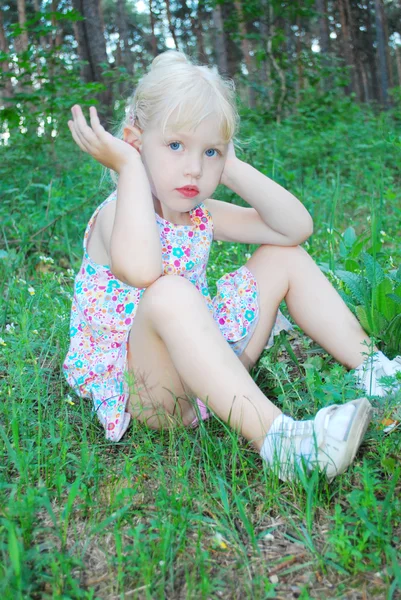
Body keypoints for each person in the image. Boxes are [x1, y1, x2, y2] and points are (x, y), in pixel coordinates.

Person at [63, 50, 400, 483]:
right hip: (151, 393)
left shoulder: (202, 213)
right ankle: (281, 443)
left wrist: (232, 167)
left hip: (213, 370)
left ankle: (379, 375)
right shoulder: (117, 214)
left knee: (284, 257)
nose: (193, 167)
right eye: (175, 145)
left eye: (210, 152)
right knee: (168, 291)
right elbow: (144, 273)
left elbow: (295, 228)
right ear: (133, 142)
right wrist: (130, 170)